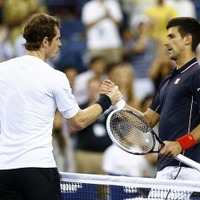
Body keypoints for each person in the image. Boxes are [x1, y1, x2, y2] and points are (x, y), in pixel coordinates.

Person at [0, 13, 122, 200]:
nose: (61, 43)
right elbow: (78, 121)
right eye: (57, 38)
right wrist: (106, 100)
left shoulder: (3, 70)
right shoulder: (55, 77)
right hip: (37, 169)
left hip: (4, 170)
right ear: (46, 41)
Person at [103, 16, 200, 198]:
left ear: (188, 39)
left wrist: (181, 143)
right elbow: (147, 120)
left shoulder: (197, 74)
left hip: (186, 169)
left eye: (172, 37)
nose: (165, 42)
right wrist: (119, 102)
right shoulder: (167, 81)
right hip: (165, 170)